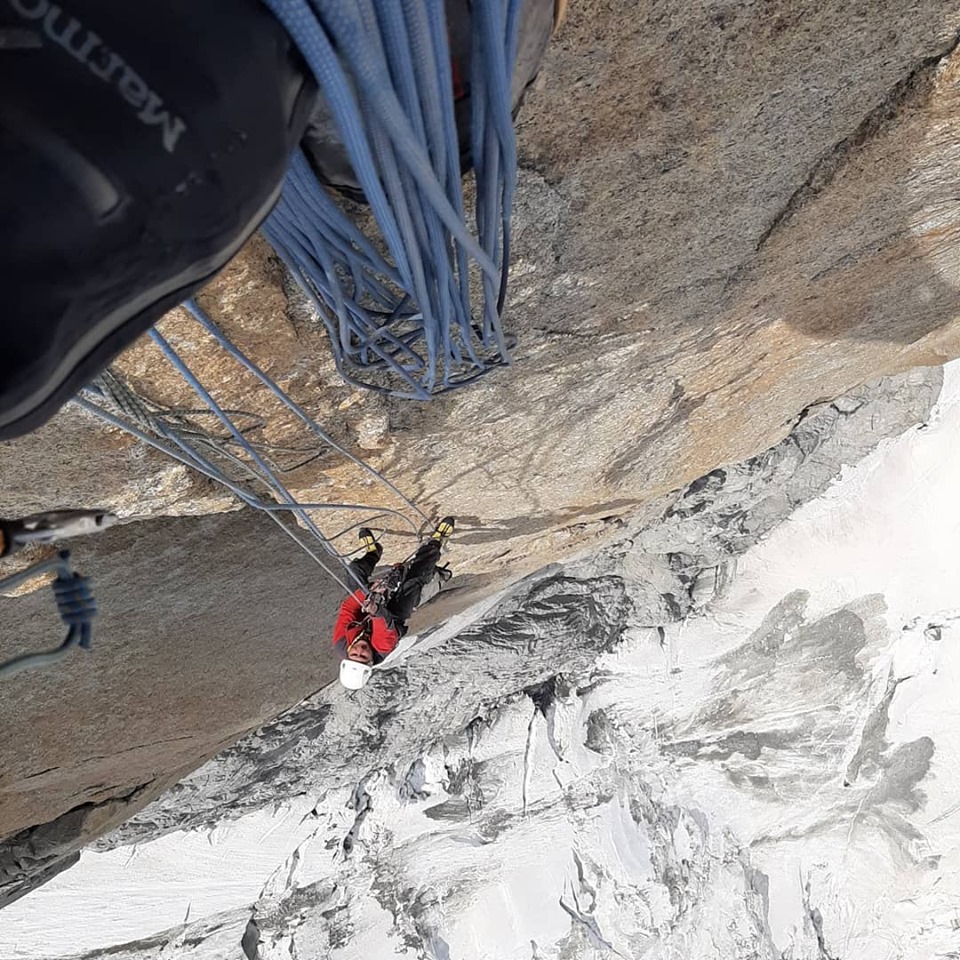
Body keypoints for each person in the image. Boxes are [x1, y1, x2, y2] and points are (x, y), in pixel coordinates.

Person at [335, 518, 455, 690]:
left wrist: (368, 592)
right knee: (413, 583)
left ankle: (373, 552)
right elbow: (385, 626)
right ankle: (436, 542)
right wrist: (375, 607)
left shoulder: (341, 643)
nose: (360, 650)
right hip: (393, 619)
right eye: (363, 657)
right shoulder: (382, 648)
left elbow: (347, 610)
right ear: (370, 661)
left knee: (354, 571)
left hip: (364, 613)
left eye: (354, 654)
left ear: (347, 654)